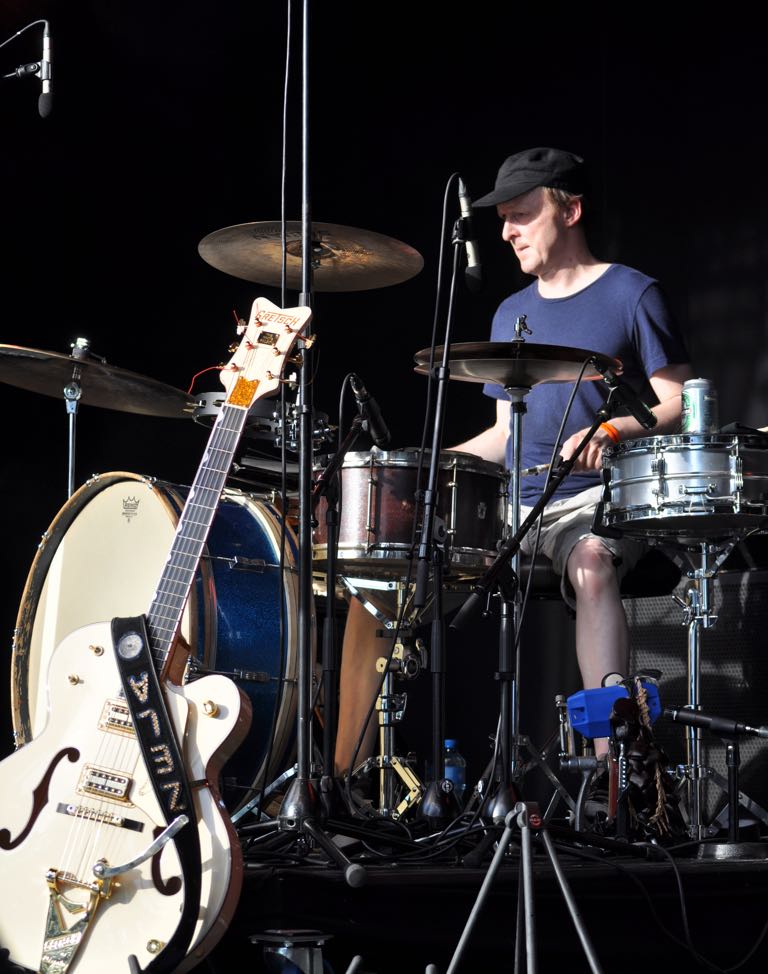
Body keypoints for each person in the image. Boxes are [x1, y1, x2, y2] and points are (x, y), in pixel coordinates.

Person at [335, 146, 692, 774]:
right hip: (510, 511)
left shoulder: (632, 293)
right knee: (378, 582)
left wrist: (612, 429)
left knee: (591, 564)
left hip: (594, 502)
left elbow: (679, 401)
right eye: (502, 220)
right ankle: (347, 775)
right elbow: (505, 434)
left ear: (570, 211)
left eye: (521, 215)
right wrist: (419, 465)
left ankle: (614, 768)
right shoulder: (512, 312)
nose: (506, 233)